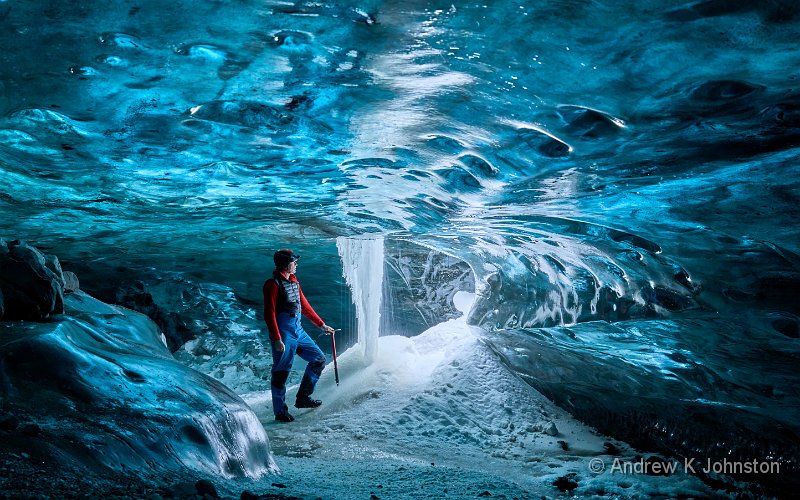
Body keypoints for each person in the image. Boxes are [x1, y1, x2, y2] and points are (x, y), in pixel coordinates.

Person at [263, 249, 335, 423]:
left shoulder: (294, 282)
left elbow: (305, 306)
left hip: (298, 330)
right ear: (286, 264)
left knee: (318, 359)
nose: (296, 264)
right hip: (284, 333)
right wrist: (277, 338)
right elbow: (269, 313)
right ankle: (280, 411)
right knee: (281, 372)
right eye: (294, 262)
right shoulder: (272, 284)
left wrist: (321, 325)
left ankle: (303, 397)